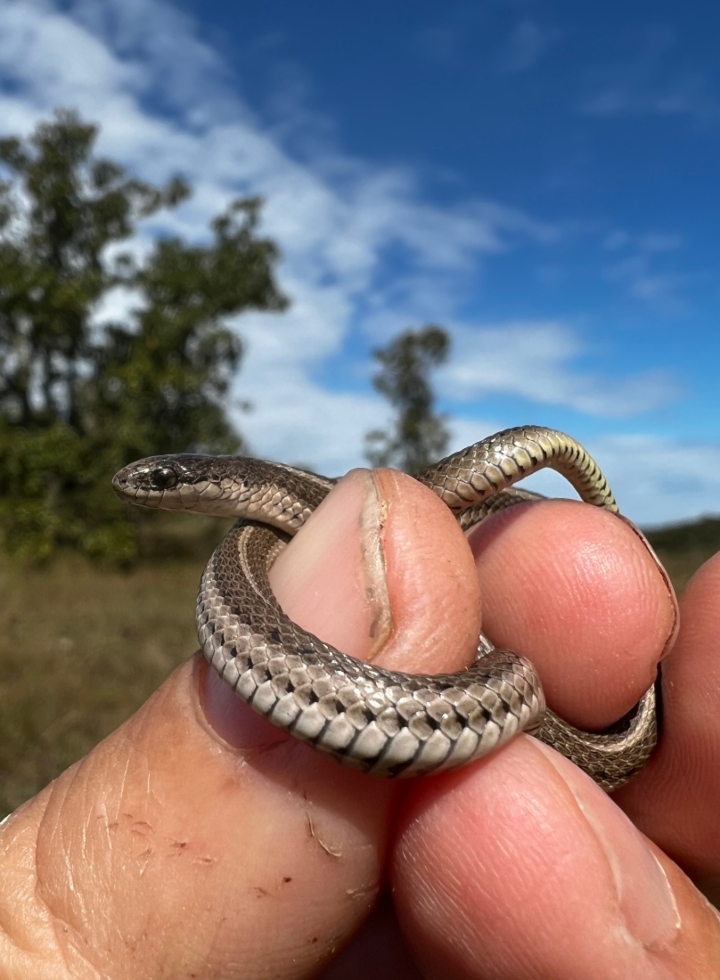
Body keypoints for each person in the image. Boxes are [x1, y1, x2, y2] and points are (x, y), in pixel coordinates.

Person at [1, 467, 718, 978]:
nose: (145, 489)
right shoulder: (254, 546)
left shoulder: (279, 518)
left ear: (223, 483)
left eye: (162, 482)